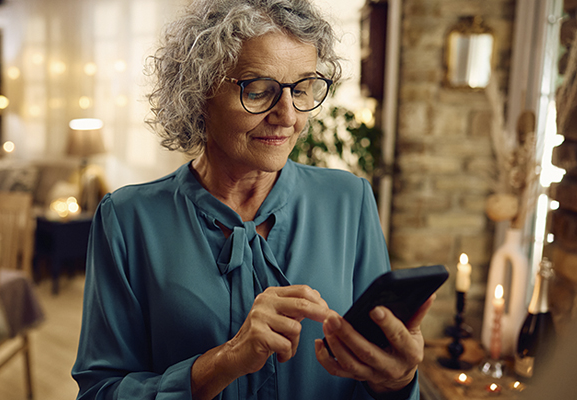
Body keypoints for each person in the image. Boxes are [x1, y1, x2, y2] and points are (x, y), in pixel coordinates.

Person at [72, 0, 432, 399]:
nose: (288, 115)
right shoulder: (127, 220)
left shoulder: (350, 201)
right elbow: (99, 392)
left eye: (303, 89)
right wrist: (224, 361)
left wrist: (396, 382)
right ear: (197, 92)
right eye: (259, 91)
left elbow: (375, 374)